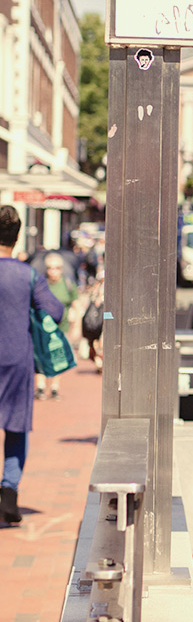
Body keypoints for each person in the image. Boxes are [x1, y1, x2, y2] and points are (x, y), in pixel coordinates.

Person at [0, 205, 66, 525]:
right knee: (15, 425)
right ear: (16, 237)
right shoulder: (28, 275)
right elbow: (55, 311)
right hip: (16, 359)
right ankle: (9, 495)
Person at [36, 255, 80, 399]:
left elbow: (76, 304)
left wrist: (77, 326)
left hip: (62, 327)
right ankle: (41, 387)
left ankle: (55, 388)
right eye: (49, 268)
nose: (52, 271)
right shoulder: (41, 283)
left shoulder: (67, 284)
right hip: (42, 327)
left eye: (56, 268)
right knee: (41, 356)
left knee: (58, 356)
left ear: (61, 269)